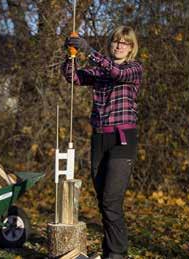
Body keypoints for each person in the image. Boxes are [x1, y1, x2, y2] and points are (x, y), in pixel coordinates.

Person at [62, 26, 143, 259]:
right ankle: (110, 251)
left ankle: (117, 253)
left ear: (131, 47)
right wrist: (71, 55)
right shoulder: (100, 71)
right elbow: (73, 77)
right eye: (116, 41)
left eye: (124, 43)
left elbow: (116, 74)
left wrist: (88, 50)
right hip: (99, 137)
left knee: (111, 199)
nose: (119, 46)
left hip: (123, 139)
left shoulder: (133, 69)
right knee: (103, 201)